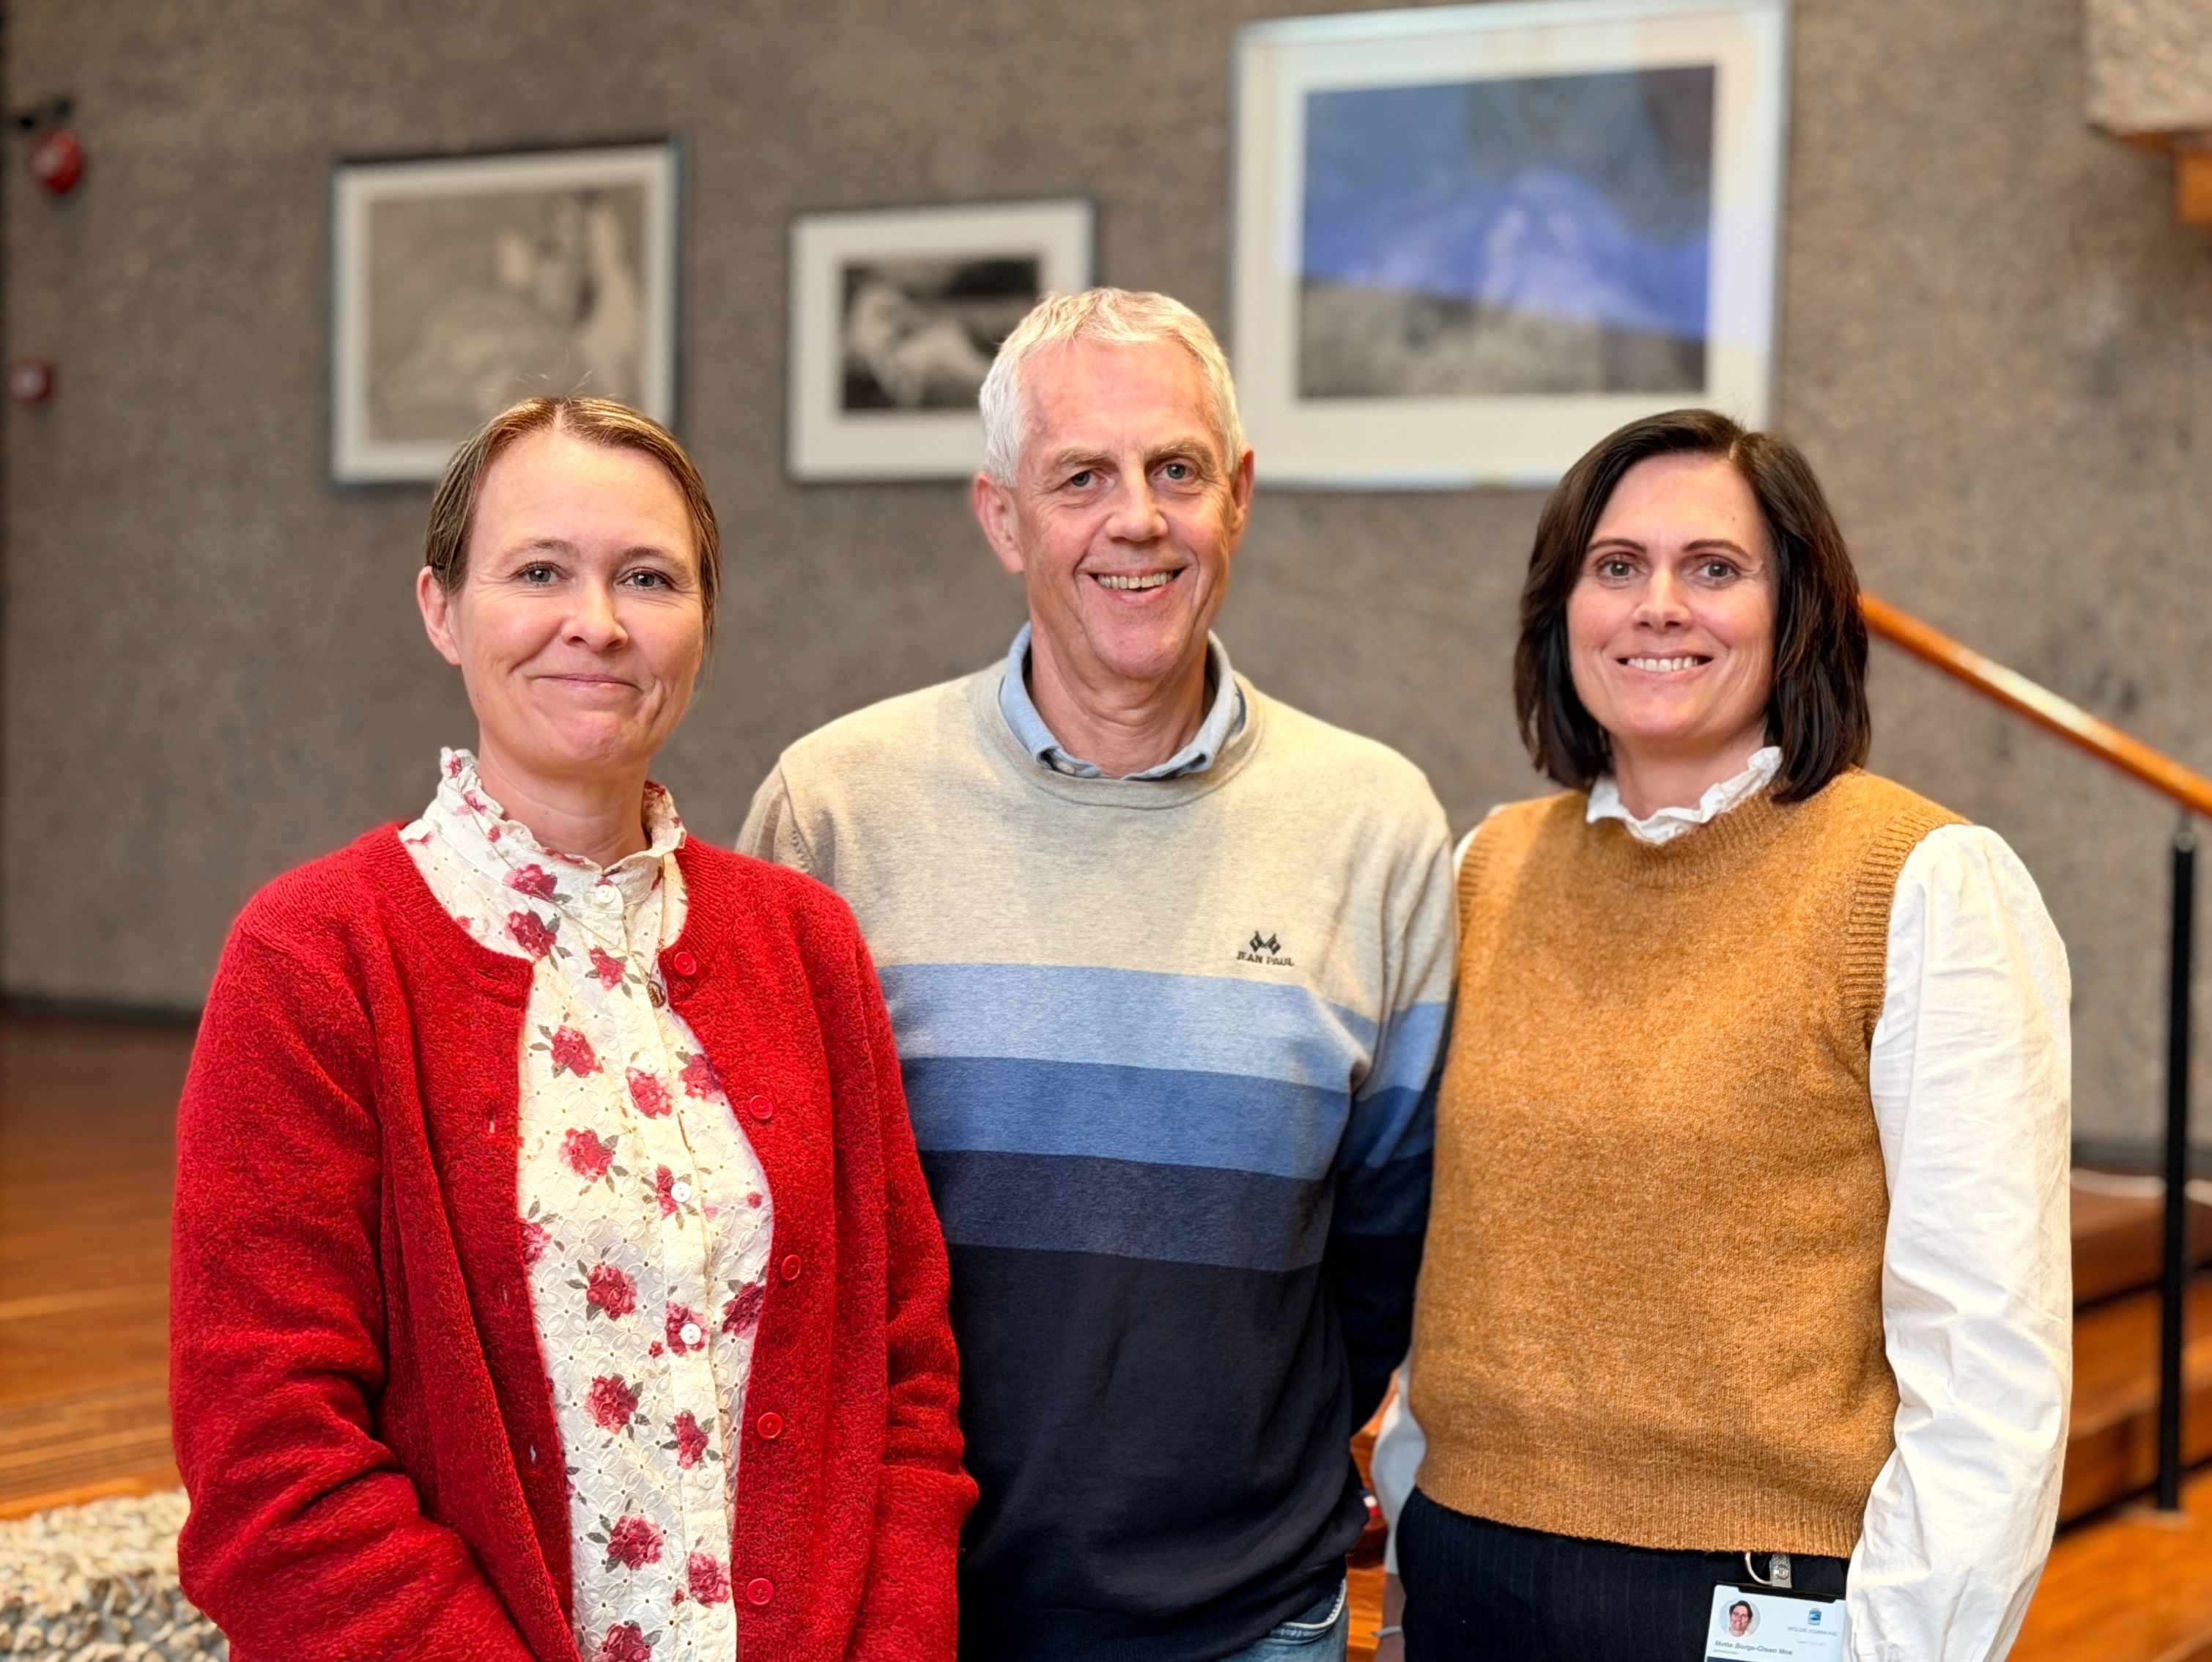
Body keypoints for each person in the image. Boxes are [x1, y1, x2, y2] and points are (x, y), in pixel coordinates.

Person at [170, 396, 972, 1662]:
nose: (595, 624)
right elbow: (271, 1471)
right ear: (441, 609)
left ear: (703, 623)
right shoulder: (315, 957)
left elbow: (906, 1384)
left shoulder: (804, 945)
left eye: (647, 577)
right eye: (539, 570)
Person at [740, 288, 1457, 1661]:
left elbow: (1387, 1242)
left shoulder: (1376, 828)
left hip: (1252, 1613)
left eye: (1176, 469)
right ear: (1004, 515)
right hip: (911, 1611)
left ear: (1236, 497)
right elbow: (778, 1240)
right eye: (1082, 477)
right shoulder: (835, 808)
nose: (1137, 517)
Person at [1372, 408, 2070, 1662]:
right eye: (1617, 566)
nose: (1659, 606)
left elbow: (1987, 1365)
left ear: (1797, 607)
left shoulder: (1919, 882)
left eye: (1714, 567)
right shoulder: (1488, 867)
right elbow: (1459, 1268)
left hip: (1756, 1601)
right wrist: (1420, 1519)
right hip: (1472, 1564)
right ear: (1564, 610)